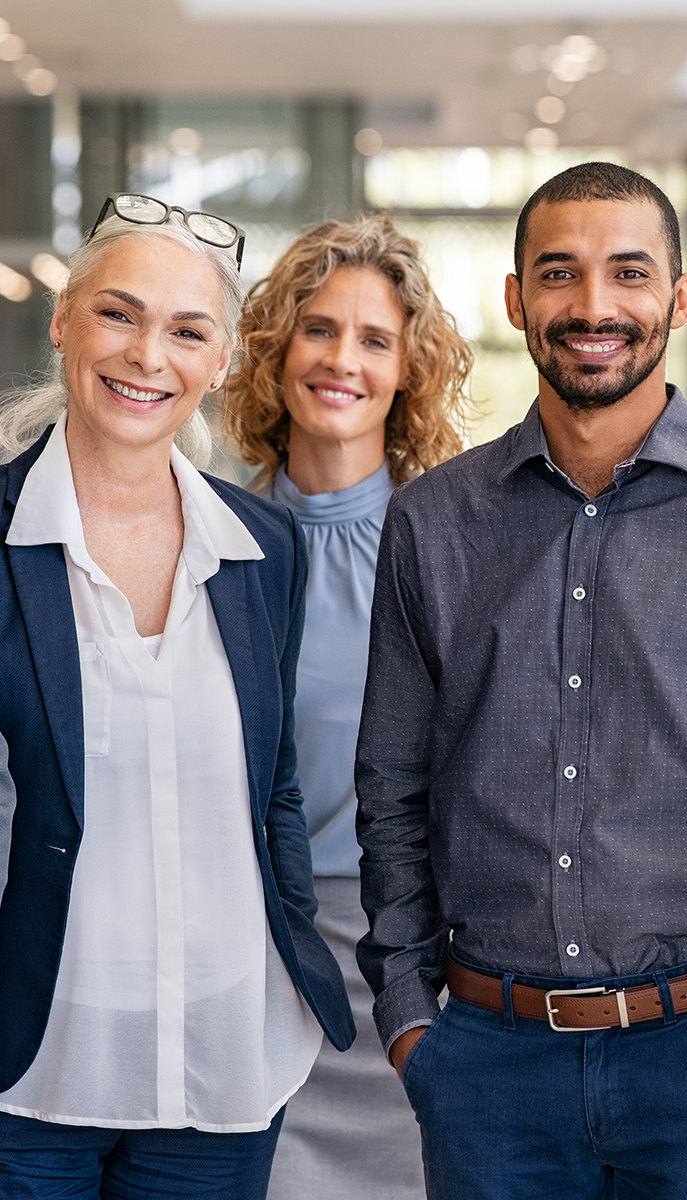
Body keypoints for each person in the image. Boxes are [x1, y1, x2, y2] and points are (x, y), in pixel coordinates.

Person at [355, 161, 687, 1199]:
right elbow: (391, 789)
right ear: (516, 300)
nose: (593, 306)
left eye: (628, 273)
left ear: (678, 298)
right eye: (559, 274)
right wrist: (415, 1020)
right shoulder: (431, 522)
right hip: (487, 1070)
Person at [0, 194, 353, 1199]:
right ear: (65, 320)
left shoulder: (262, 548)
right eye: (118, 314)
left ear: (221, 360)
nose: (147, 355)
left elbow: (272, 782)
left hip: (223, 1064)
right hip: (31, 1068)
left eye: (187, 330)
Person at [222, 213, 470, 1200]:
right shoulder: (211, 541)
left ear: (409, 368)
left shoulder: (455, 551)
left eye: (375, 339)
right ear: (279, 347)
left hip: (417, 968)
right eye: (319, 328)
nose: (342, 360)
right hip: (254, 970)